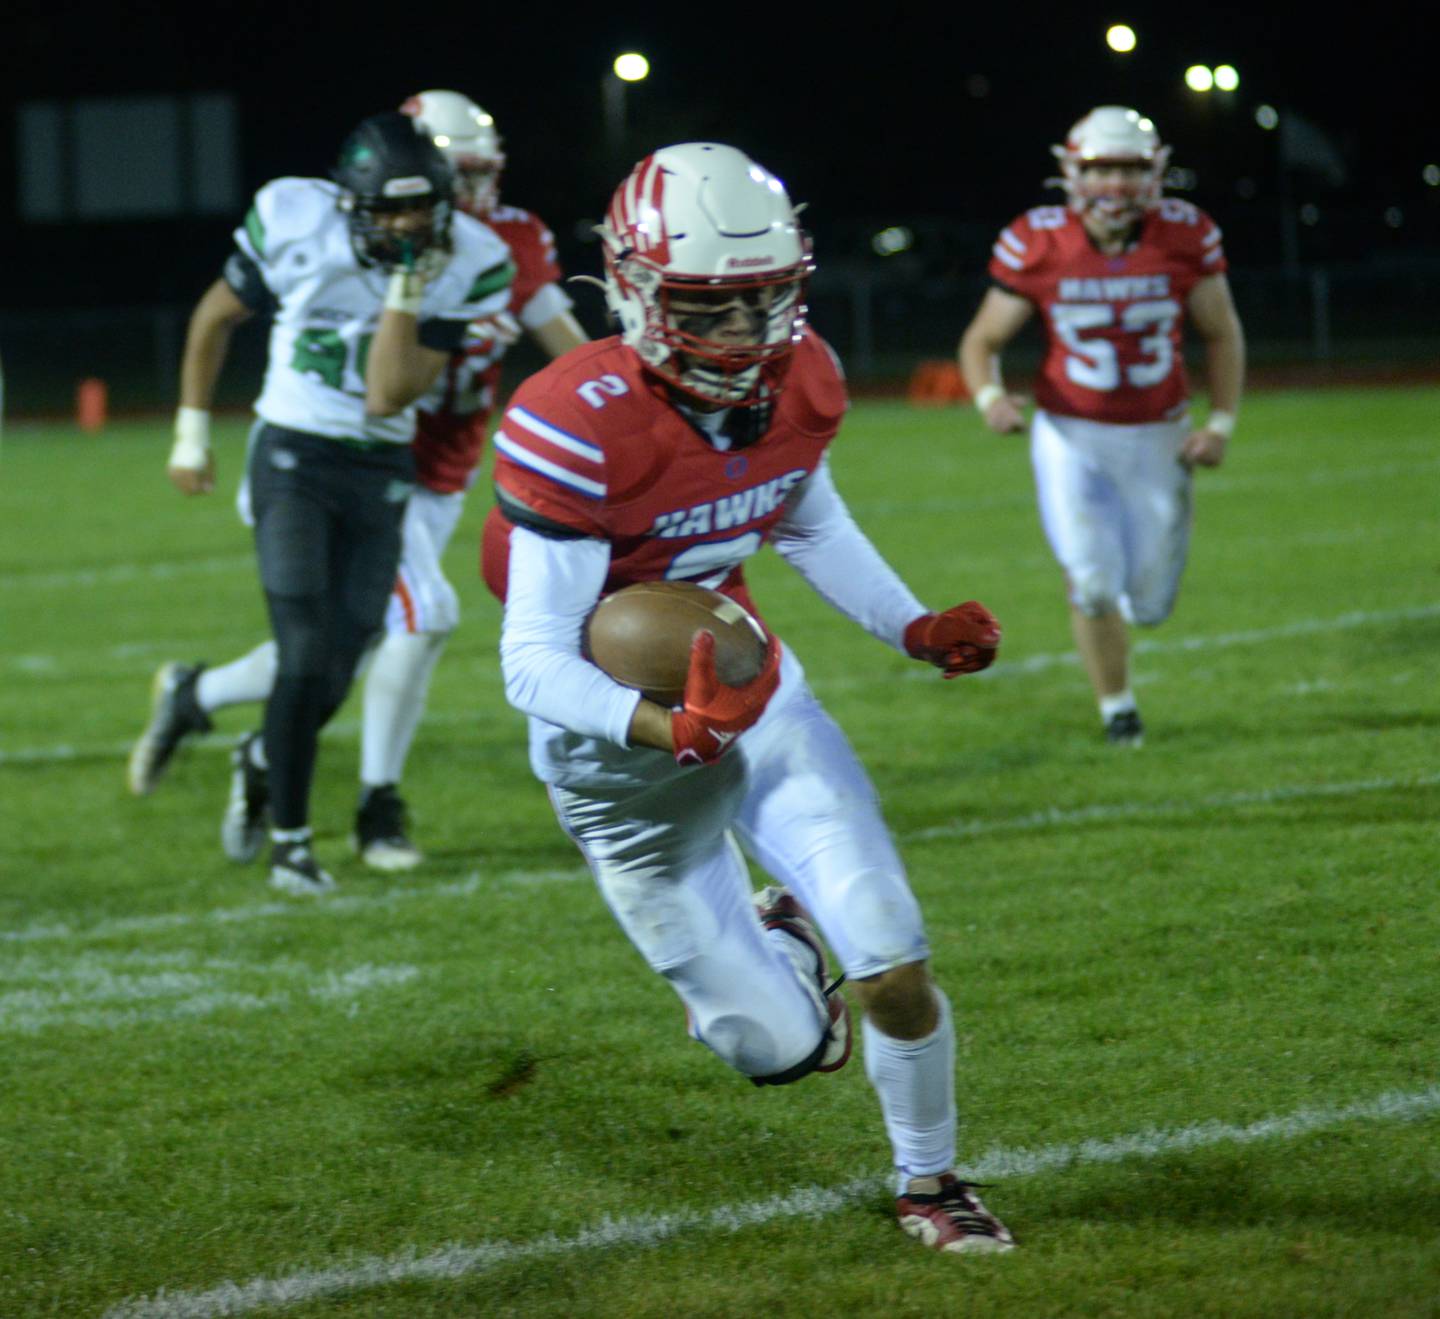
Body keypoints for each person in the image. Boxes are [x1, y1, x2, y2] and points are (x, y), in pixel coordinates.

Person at [481, 143, 1015, 1253]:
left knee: (892, 948)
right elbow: (532, 660)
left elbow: (810, 521)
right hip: (617, 763)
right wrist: (663, 724)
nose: (743, 335)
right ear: (630, 288)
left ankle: (932, 1181)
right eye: (707, 308)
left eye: (765, 299)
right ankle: (772, 943)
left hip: (748, 686)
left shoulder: (802, 372)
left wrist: (910, 624)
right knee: (775, 1049)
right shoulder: (572, 416)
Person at [128, 91, 586, 874]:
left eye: (481, 173)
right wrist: (191, 433)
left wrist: (626, 395)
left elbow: (569, 350)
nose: (474, 190)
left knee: (347, 642)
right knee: (423, 615)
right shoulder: (348, 225)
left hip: (438, 471)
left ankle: (201, 702)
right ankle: (376, 804)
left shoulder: (502, 243)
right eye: (458, 171)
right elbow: (372, 383)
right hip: (348, 452)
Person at [958, 106, 1245, 745]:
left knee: (1150, 603)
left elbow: (1222, 333)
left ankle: (1124, 669)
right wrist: (989, 397)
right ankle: (1118, 709)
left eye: (1130, 168)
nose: (1115, 183)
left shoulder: (1186, 234)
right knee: (1089, 582)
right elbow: (982, 339)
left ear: (1155, 172)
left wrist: (1220, 422)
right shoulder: (1038, 239)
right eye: (1102, 168)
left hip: (1159, 432)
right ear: (1073, 171)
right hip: (1071, 433)